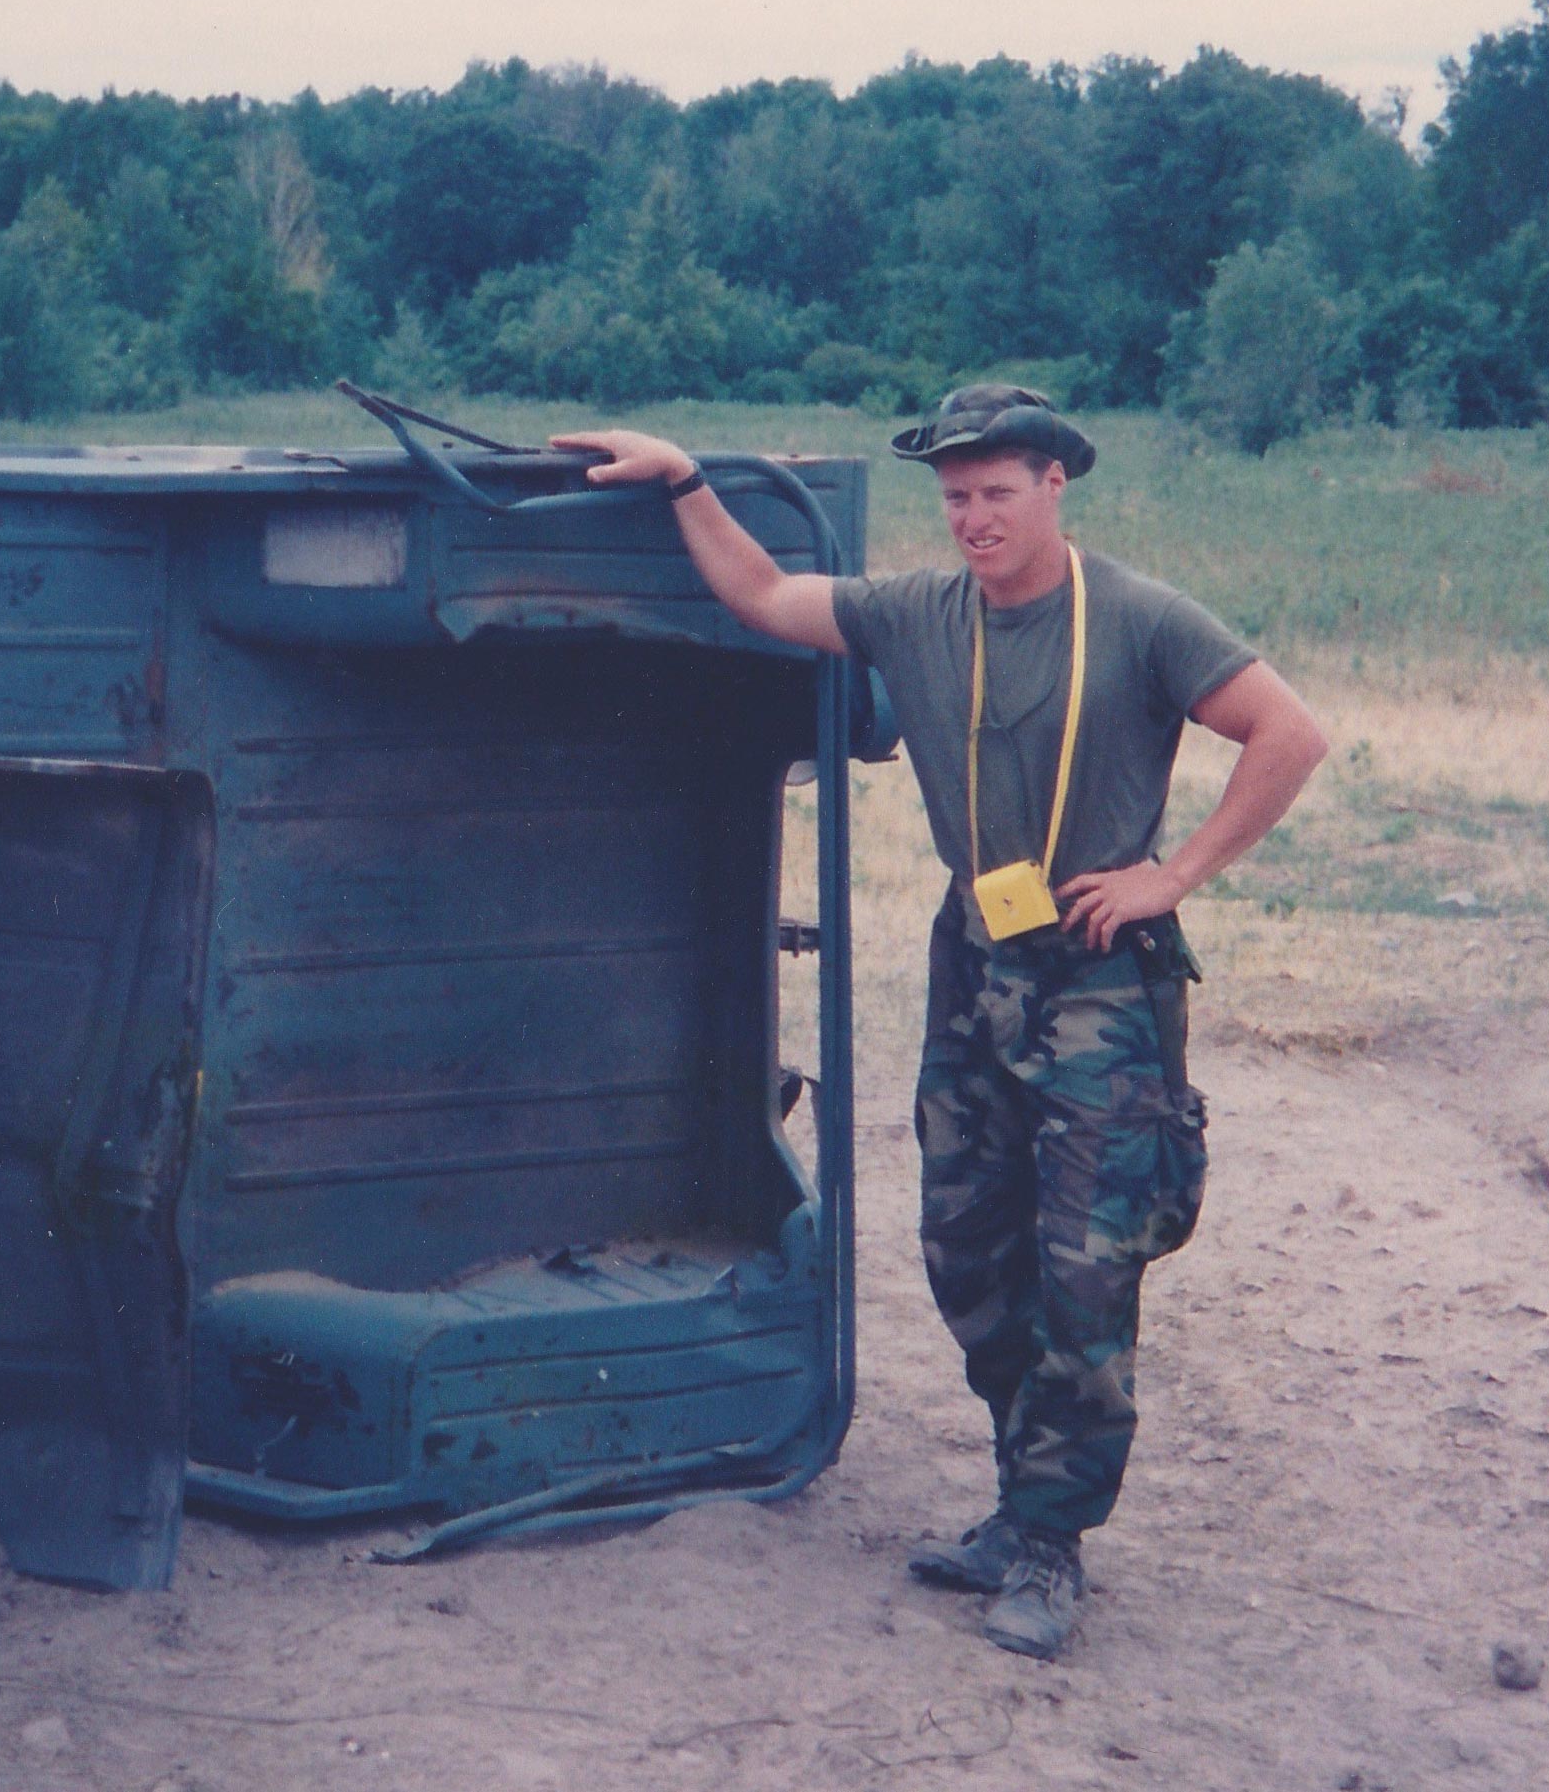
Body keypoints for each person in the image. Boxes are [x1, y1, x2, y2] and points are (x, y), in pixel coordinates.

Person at [551, 385, 1328, 1659]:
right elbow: (764, 595)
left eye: (996, 493)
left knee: (1086, 1271)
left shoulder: (1135, 616)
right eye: (955, 497)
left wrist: (1170, 874)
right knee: (968, 1249)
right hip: (973, 962)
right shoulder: (919, 610)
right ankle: (1018, 1501)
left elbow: (1288, 731)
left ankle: (1053, 1541)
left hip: (1098, 979)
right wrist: (685, 478)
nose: (973, 518)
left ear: (1054, 486)